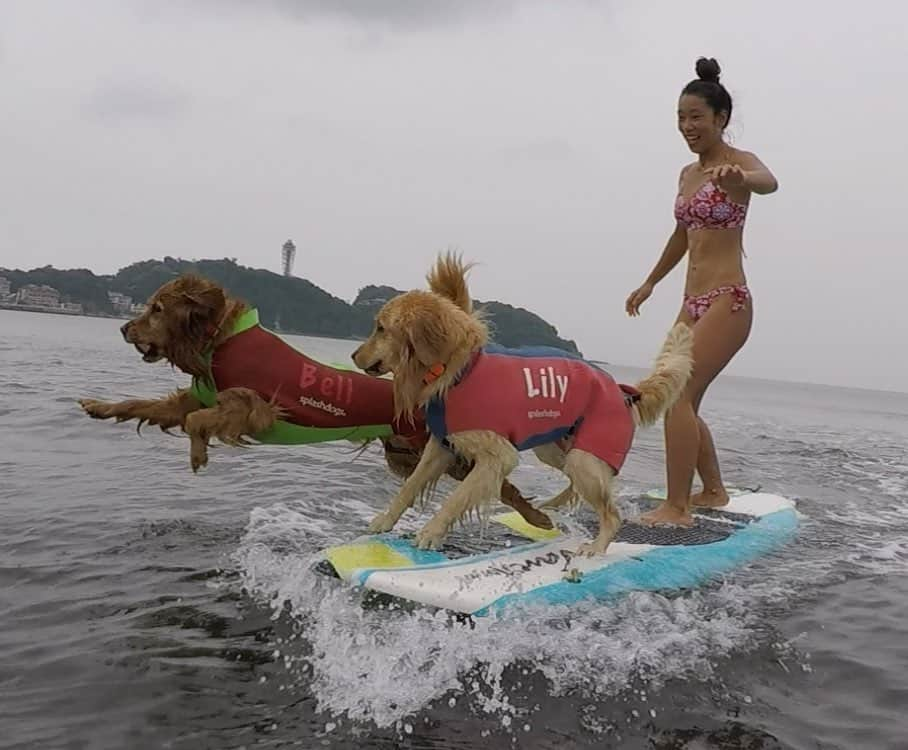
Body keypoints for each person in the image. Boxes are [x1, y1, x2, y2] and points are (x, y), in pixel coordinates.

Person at [625, 57, 778, 526]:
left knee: (677, 395)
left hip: (728, 300)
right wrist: (650, 281)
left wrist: (741, 180)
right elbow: (681, 233)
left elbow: (769, 182)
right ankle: (713, 491)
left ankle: (677, 507)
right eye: (681, 118)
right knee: (679, 397)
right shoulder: (687, 176)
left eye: (696, 117)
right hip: (690, 304)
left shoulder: (739, 163)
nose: (687, 126)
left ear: (721, 119)